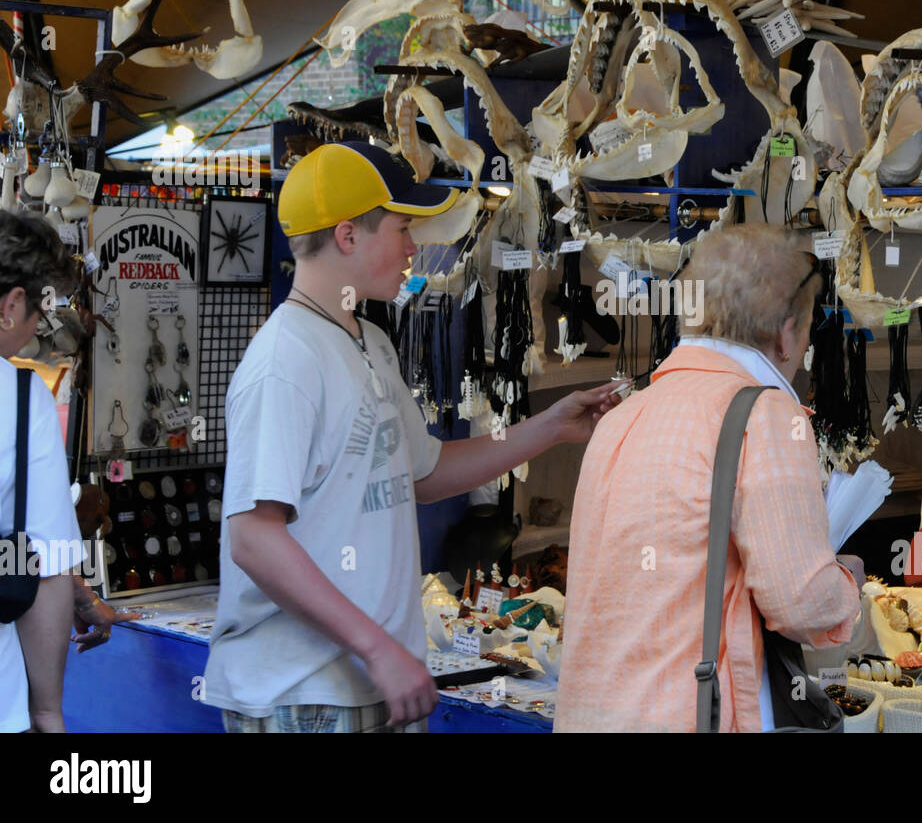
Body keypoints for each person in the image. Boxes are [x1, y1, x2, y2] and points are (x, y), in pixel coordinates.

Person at [204, 142, 624, 733]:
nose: (412, 247)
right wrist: (376, 648)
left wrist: (551, 428)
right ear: (348, 236)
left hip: (374, 687)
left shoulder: (368, 341)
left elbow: (424, 474)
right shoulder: (285, 361)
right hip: (303, 694)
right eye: (402, 228)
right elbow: (253, 537)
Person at [556, 223, 862, 732]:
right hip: (693, 717)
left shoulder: (623, 416)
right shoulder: (765, 417)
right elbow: (801, 603)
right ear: (787, 332)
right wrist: (847, 578)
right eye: (808, 327)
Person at [0, 210, 83, 732]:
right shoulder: (23, 399)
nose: (39, 328)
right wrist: (47, 711)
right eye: (40, 311)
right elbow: (44, 564)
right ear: (10, 305)